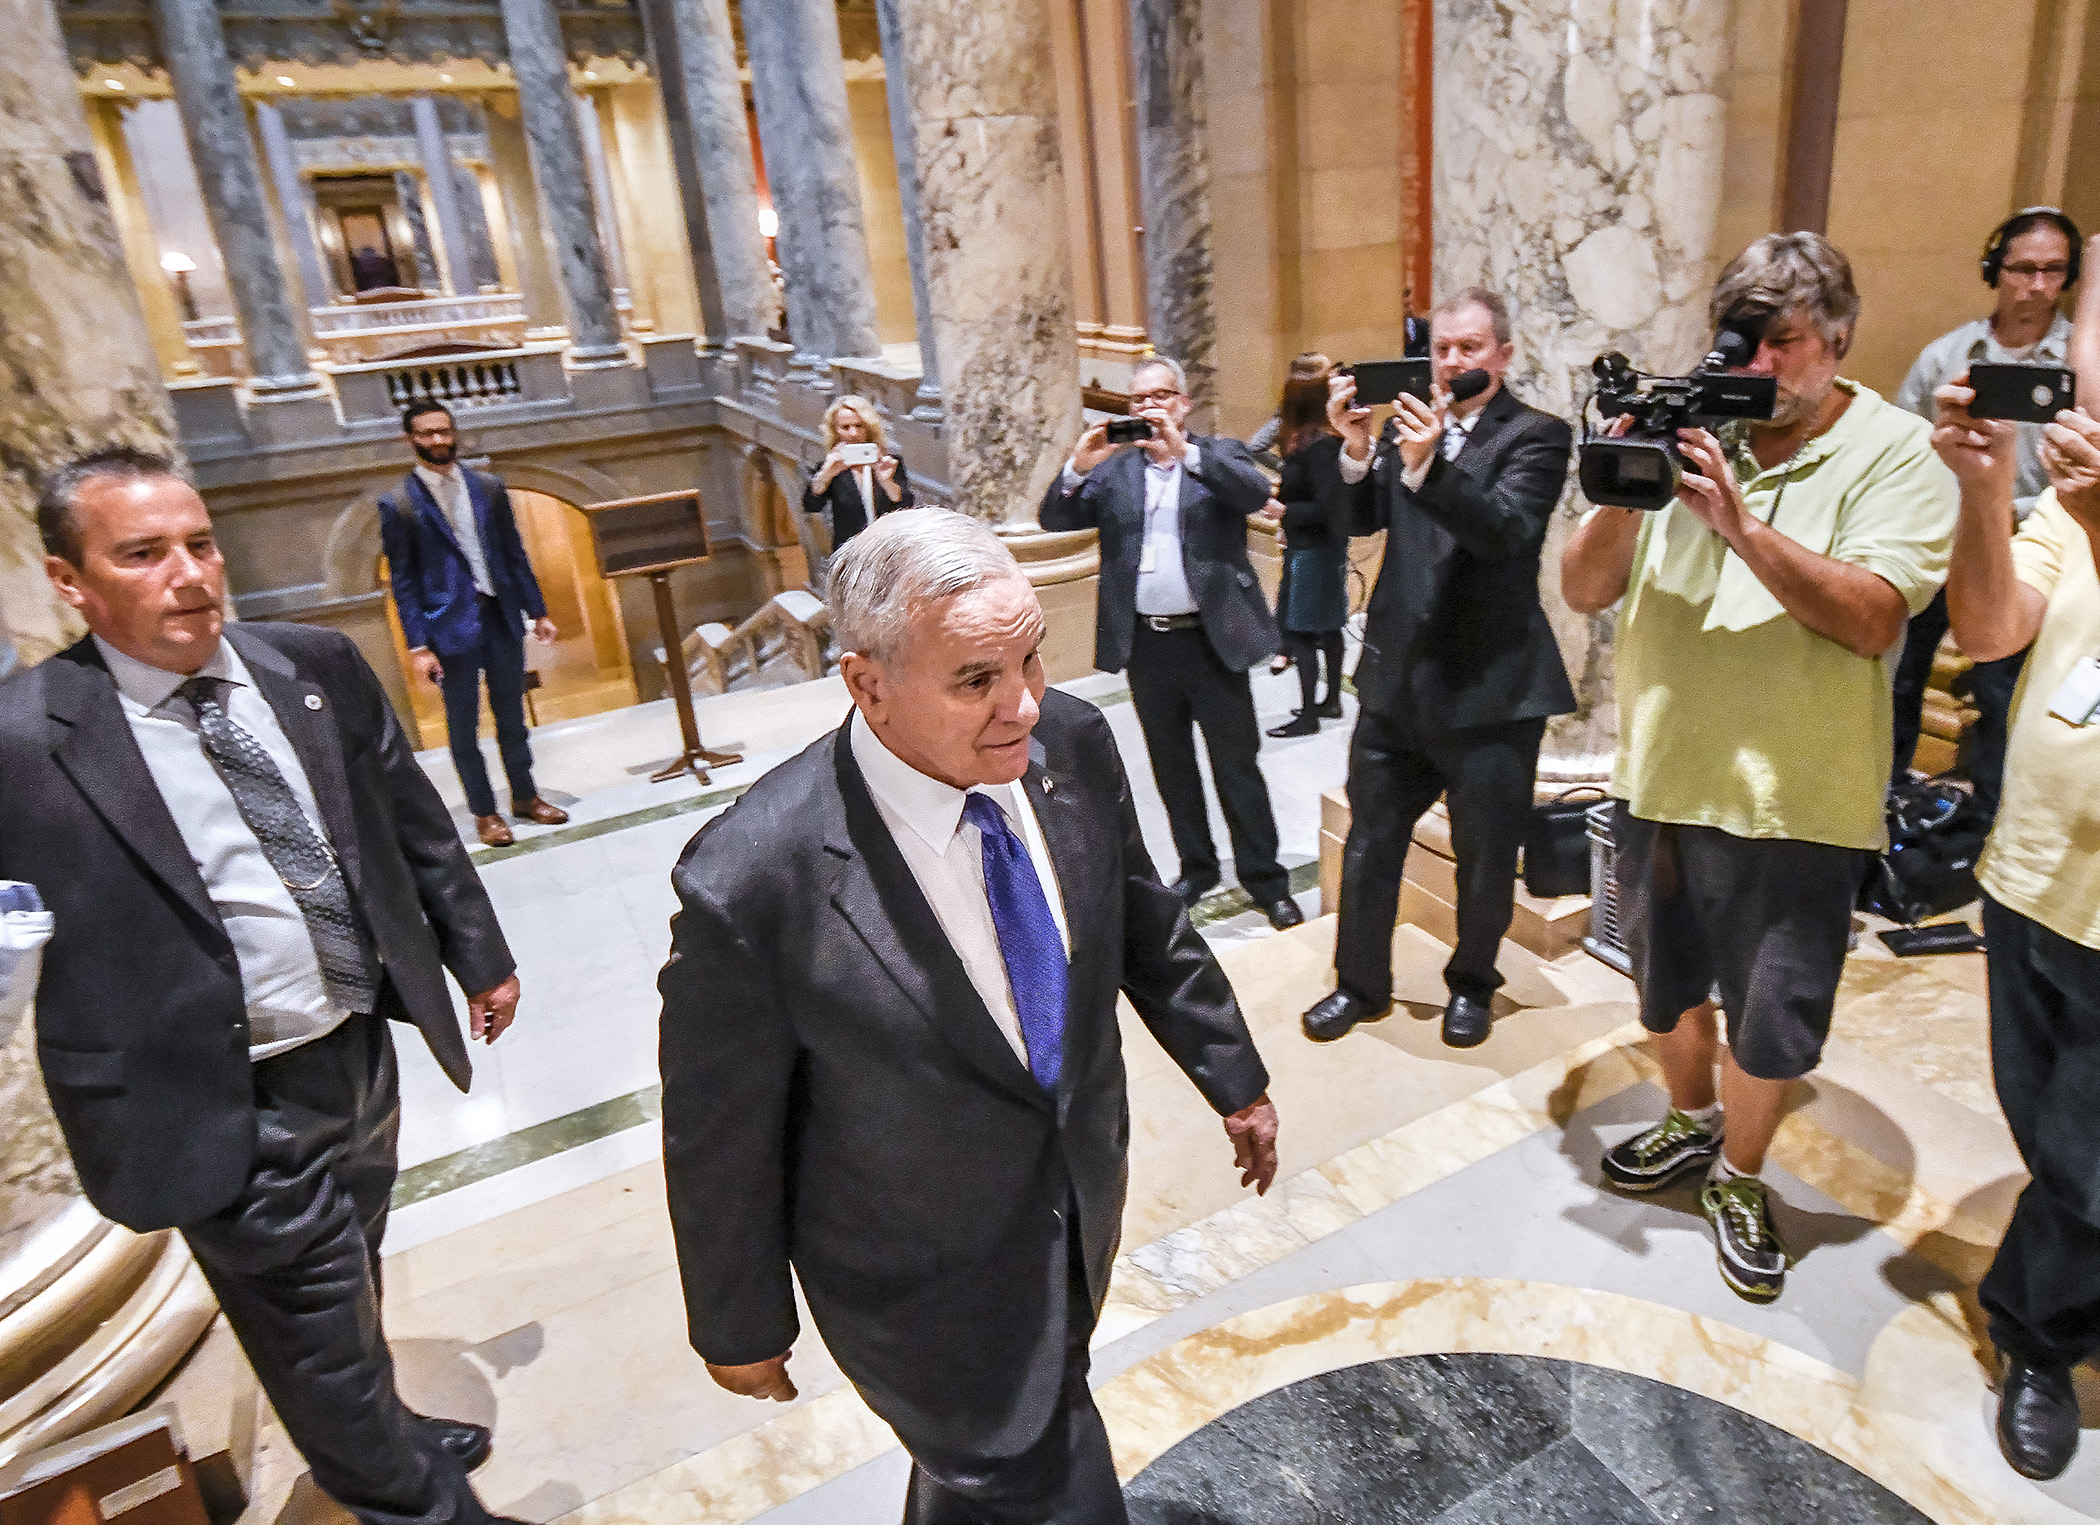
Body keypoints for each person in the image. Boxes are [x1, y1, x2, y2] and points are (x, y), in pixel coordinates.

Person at [658, 509, 1279, 1523]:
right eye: (977, 680)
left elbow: (1141, 917)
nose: (1024, 705)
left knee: (989, 1467)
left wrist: (1233, 1073)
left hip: (1076, 1200)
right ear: (867, 683)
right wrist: (738, 1320)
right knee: (1036, 1477)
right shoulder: (752, 878)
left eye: (1031, 659)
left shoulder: (1072, 741)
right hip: (917, 1277)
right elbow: (718, 1132)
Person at [0, 449, 525, 1525]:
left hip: (352, 1045)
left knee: (353, 1271)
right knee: (315, 1319)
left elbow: (411, 825)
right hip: (214, 1094)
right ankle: (413, 1504)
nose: (188, 573)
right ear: (71, 582)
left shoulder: (309, 664)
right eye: (143, 554)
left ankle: (379, 1434)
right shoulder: (25, 739)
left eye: (199, 544)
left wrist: (479, 950)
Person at [1561, 233, 1957, 1303]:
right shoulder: (1698, 424)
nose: (1761, 370)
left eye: (1783, 344)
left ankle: (1740, 1173)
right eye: (1745, 345)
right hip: (1661, 774)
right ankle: (1691, 1124)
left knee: (1773, 1016)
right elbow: (1586, 589)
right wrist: (1626, 473)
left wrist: (1736, 521)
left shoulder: (1898, 451)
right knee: (1665, 988)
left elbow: (1875, 618)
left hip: (1797, 797)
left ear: (1839, 338)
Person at [1301, 287, 1577, 1050]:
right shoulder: (1407, 428)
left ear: (1504, 355)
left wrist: (1427, 470)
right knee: (1370, 842)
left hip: (1492, 688)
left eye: (1470, 348)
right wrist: (1356, 450)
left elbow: (1507, 532)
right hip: (1398, 682)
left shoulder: (1537, 436)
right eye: (1443, 349)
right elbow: (1360, 523)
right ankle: (1359, 983)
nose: (1453, 361)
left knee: (1486, 857)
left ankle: (1472, 985)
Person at [1932, 374, 2100, 1482]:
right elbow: (1990, 630)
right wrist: (1988, 493)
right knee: (2048, 1131)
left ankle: (2035, 1338)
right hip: (2034, 875)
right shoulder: (2070, 506)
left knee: (2087, 1161)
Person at [1039, 356, 1303, 931]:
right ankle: (1197, 866)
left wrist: (1185, 453)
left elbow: (1254, 490)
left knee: (1237, 765)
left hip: (1213, 642)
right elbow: (1054, 518)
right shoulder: (1115, 473)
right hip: (1149, 647)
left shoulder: (1220, 455)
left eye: (1161, 396)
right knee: (1171, 765)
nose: (1150, 407)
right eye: (1139, 401)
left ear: (1183, 402)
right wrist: (1078, 467)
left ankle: (1266, 878)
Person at [1890, 208, 2082, 816]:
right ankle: (1883, 801)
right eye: (2024, 268)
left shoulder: (2082, 364)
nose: (2037, 285)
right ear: (1994, 269)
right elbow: (1903, 453)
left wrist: (2005, 502)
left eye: (2054, 271)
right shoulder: (1945, 356)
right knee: (1898, 676)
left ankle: (1991, 825)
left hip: (2033, 554)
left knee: (2002, 693)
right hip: (1938, 543)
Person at [378, 402, 567, 848]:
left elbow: (513, 553)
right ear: (410, 439)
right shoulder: (399, 503)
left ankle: (526, 796)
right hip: (447, 629)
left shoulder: (488, 487)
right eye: (426, 434)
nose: (438, 440)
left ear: (454, 432)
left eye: (443, 431)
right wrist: (418, 646)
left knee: (512, 718)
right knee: (463, 728)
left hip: (500, 618)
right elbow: (402, 581)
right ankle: (485, 813)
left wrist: (537, 610)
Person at [1264, 359, 1352, 737]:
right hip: (1313, 545)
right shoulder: (1312, 438)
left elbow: (1330, 507)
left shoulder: (1320, 446)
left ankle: (1309, 718)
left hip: (1316, 549)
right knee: (1329, 627)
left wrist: (1286, 512)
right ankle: (1330, 700)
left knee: (1299, 632)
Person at [803, 393, 913, 548]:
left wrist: (886, 481)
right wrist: (826, 475)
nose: (853, 433)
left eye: (859, 426)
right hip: (850, 551)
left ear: (868, 427)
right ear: (836, 430)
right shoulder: (831, 467)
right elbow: (811, 505)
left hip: (887, 548)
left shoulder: (890, 463)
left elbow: (906, 507)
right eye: (845, 427)